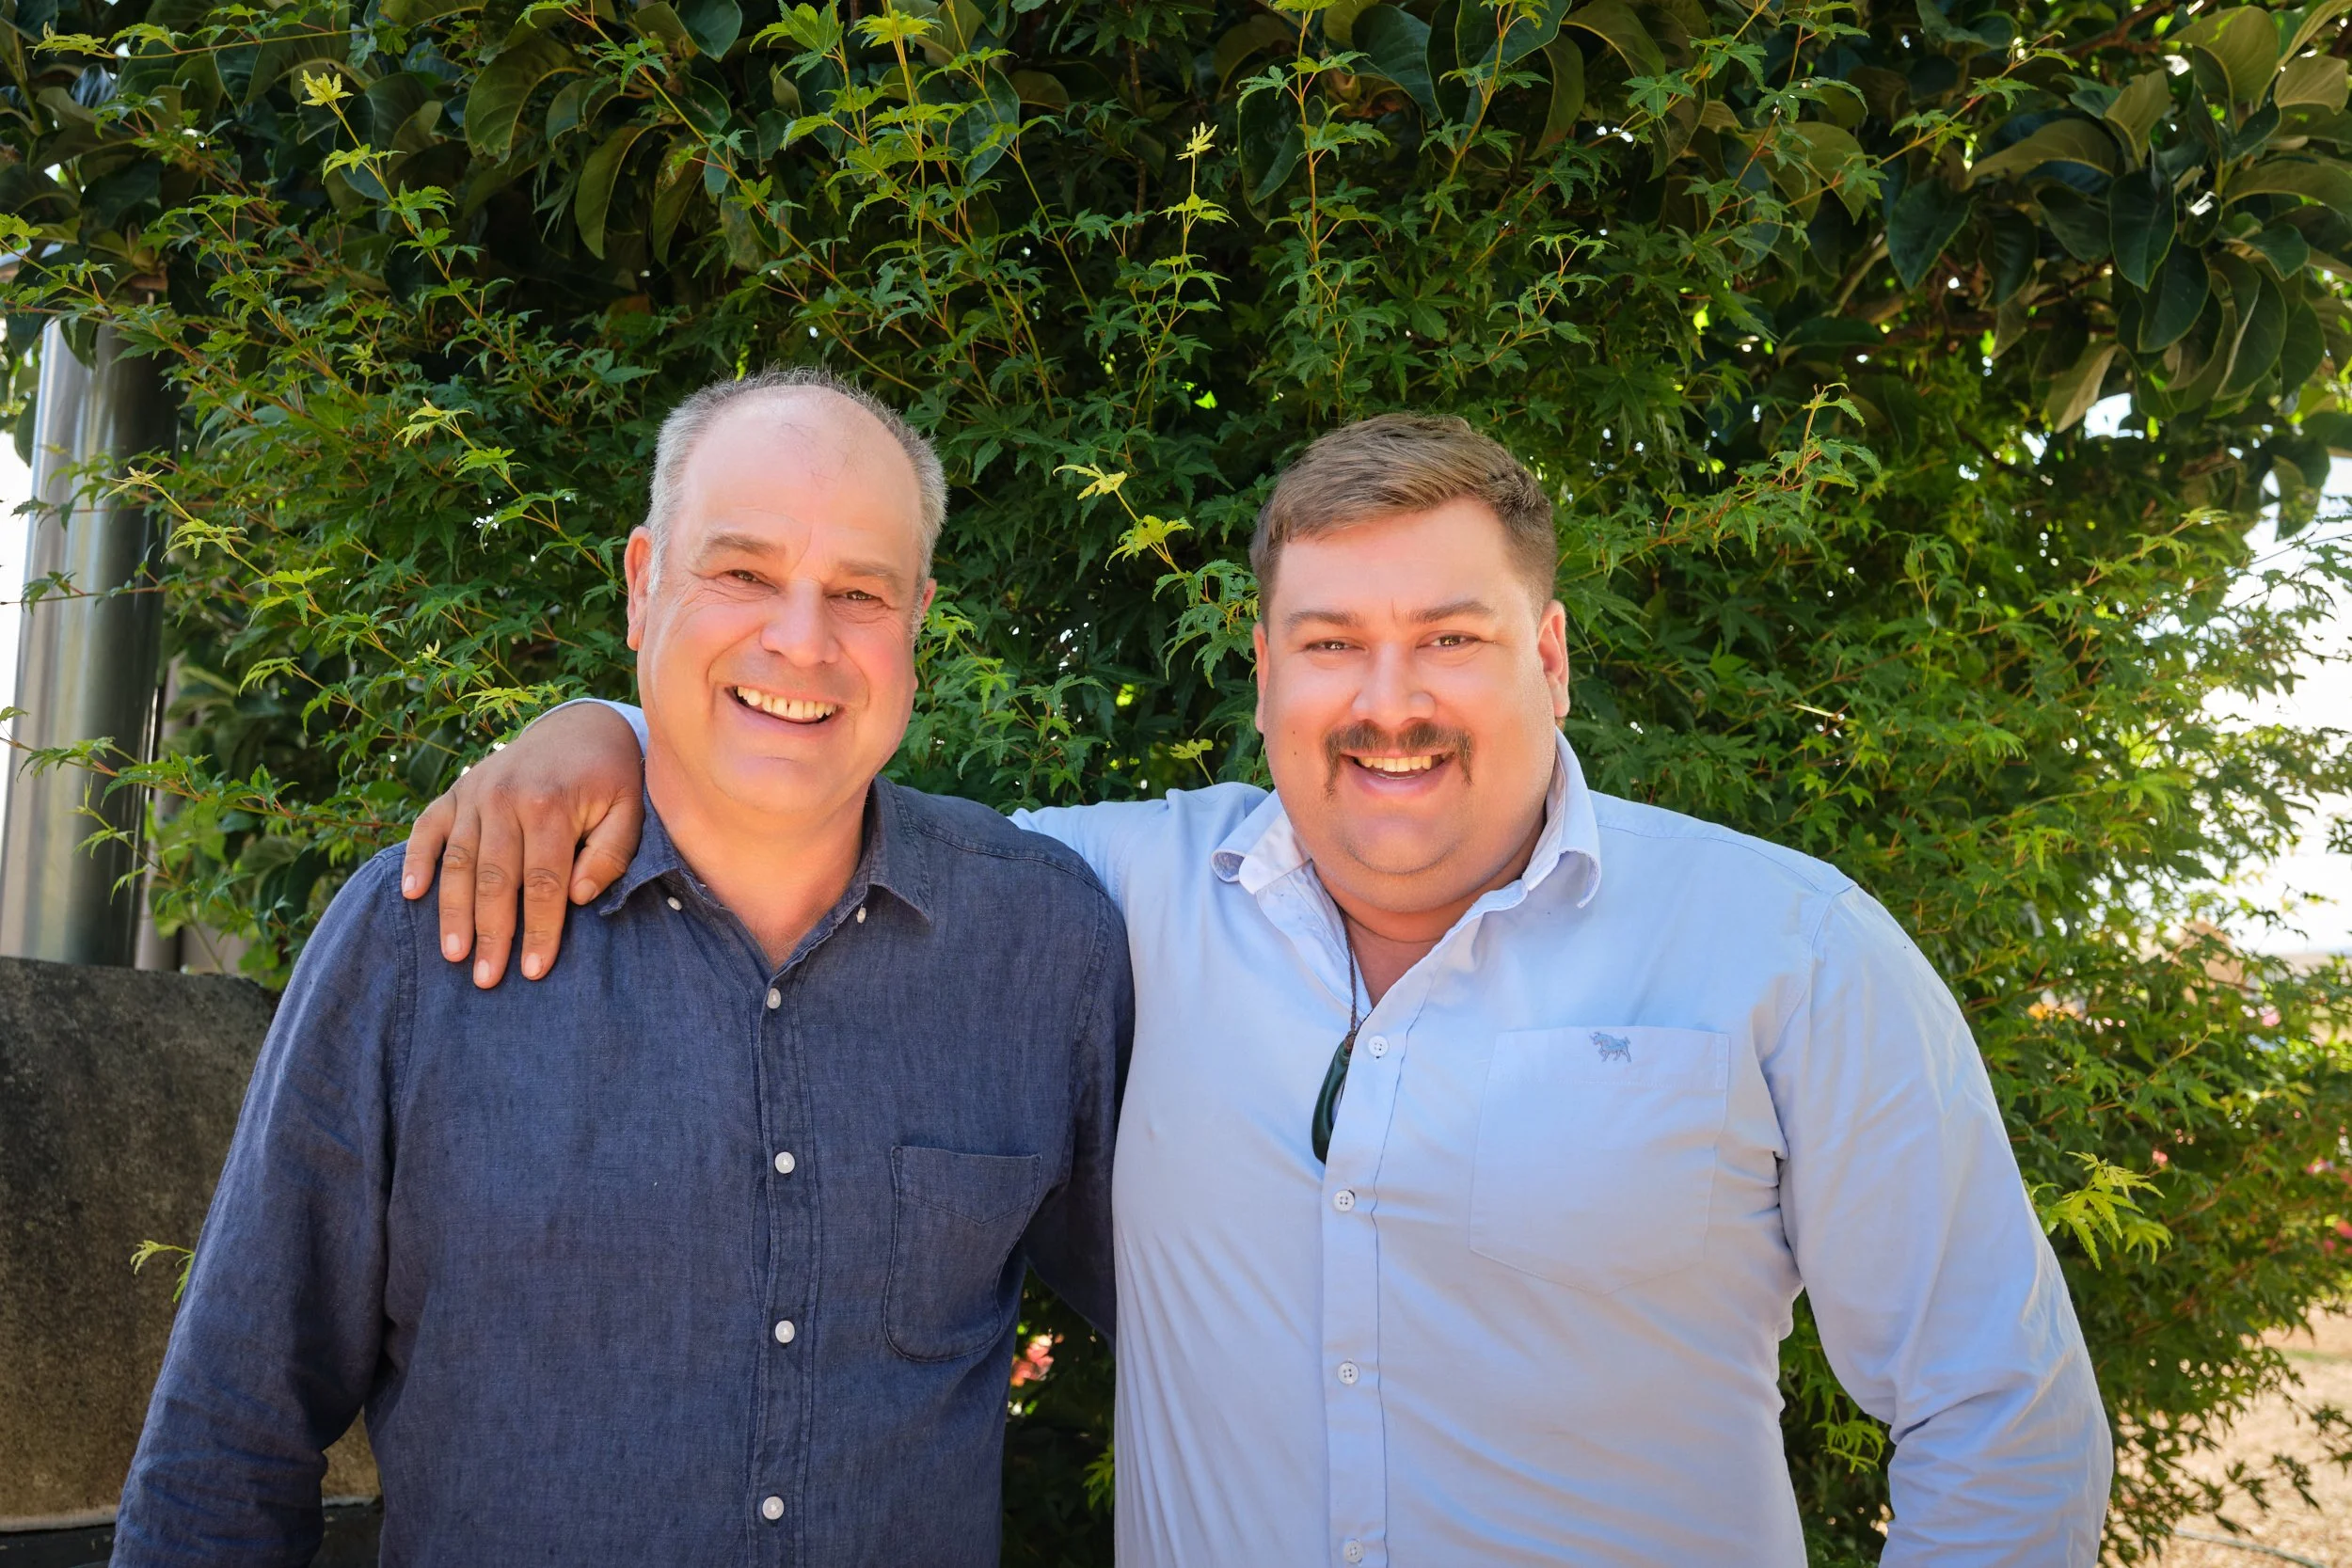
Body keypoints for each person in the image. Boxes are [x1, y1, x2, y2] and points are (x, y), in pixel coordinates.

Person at [405, 412, 2114, 1565]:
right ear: (1263, 667)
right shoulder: (1104, 901)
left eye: (1450, 634)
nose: (1390, 699)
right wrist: (606, 731)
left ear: (1552, 654)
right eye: (1330, 641)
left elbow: (1999, 1411)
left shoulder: (1788, 952)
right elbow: (797, 770)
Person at [114, 370, 1130, 1566]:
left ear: (916, 621)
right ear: (643, 586)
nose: (800, 638)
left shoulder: (1041, 944)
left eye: (859, 590)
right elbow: (231, 1440)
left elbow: (1205, 1323)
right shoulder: (422, 938)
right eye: (742, 572)